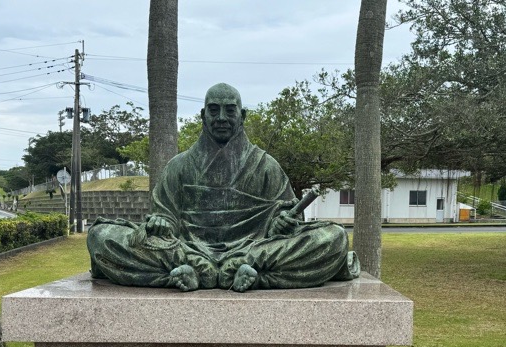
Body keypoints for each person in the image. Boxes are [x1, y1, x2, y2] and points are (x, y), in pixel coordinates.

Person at [87, 82, 358, 292]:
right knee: (101, 235)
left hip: (253, 251)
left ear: (242, 115)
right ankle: (212, 271)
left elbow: (288, 222)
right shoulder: (179, 166)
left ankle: (229, 270)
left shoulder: (265, 165)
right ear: (203, 115)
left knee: (333, 237)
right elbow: (165, 221)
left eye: (230, 110)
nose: (221, 117)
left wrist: (282, 224)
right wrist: (160, 224)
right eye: (214, 110)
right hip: (187, 251)